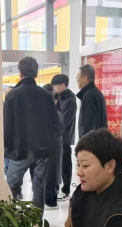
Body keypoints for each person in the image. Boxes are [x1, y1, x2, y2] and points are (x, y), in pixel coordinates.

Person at [4, 57, 59, 211]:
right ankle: (36, 220)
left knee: (11, 186)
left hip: (18, 150)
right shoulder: (46, 95)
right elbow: (54, 124)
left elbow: (7, 125)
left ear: (20, 72)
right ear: (36, 73)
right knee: (39, 188)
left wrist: (6, 148)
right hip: (42, 150)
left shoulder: (12, 95)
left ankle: (11, 218)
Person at [51, 74, 77, 202]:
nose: (54, 88)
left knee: (65, 165)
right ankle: (58, 189)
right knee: (59, 165)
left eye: (56, 85)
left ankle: (66, 191)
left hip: (64, 138)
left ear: (63, 85)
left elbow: (65, 121)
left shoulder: (69, 100)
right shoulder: (60, 98)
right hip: (58, 138)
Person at [44, 91, 64, 210]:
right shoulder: (54, 113)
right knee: (52, 173)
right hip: (53, 145)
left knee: (51, 174)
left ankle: (50, 201)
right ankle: (50, 199)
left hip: (53, 146)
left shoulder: (55, 114)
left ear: (56, 101)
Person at [76, 64, 107, 137]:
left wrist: (85, 142)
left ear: (85, 78)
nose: (76, 80)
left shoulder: (89, 96)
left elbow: (88, 124)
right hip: (99, 139)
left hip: (92, 141)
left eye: (77, 76)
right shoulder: (96, 92)